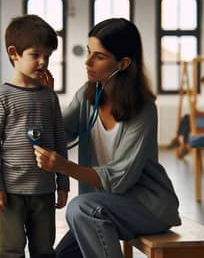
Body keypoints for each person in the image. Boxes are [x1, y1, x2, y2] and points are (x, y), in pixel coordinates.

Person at [34, 18, 181, 258]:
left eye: (99, 56)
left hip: (146, 207)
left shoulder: (143, 109)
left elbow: (117, 180)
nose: (88, 61)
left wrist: (64, 166)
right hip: (100, 209)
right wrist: (44, 98)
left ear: (123, 63)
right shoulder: (87, 95)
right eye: (89, 51)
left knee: (79, 208)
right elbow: (57, 133)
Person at [0, 14, 69, 258]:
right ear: (14, 53)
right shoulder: (2, 97)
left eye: (48, 56)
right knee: (11, 249)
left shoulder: (49, 96)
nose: (43, 62)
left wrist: (62, 184)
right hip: (11, 192)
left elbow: (59, 141)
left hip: (44, 190)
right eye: (35, 55)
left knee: (44, 249)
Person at [167, 74, 204, 158]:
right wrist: (197, 113)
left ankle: (178, 140)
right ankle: (185, 146)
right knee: (187, 123)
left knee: (187, 118)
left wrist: (198, 113)